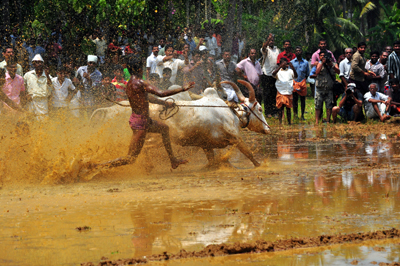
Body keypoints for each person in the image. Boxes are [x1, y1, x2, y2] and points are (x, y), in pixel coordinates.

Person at [90, 58, 194, 170]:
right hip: (141, 123)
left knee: (164, 129)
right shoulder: (140, 83)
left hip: (140, 119)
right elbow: (161, 93)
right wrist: (182, 89)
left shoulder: (130, 83)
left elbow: (147, 97)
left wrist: (164, 103)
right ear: (140, 69)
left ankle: (173, 160)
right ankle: (98, 167)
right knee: (130, 158)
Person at [310, 50, 339, 124]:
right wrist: (322, 63)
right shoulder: (319, 64)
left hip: (329, 88)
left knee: (329, 106)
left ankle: (328, 120)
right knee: (318, 106)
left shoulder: (334, 64)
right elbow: (317, 72)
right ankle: (317, 121)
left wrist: (331, 65)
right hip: (320, 88)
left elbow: (338, 72)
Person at [23, 54, 53, 120]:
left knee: (43, 122)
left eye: (40, 62)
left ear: (43, 64)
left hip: (43, 101)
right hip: (31, 101)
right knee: (30, 120)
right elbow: (23, 86)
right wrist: (25, 95)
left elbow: (51, 87)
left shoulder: (48, 76)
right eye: (36, 62)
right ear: (33, 64)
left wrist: (47, 76)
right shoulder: (28, 75)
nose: (38, 64)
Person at [272, 58, 298, 125]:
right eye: (283, 63)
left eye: (285, 63)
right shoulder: (278, 71)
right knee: (280, 107)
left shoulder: (290, 71)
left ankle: (289, 122)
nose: (285, 65)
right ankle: (280, 122)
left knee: (288, 108)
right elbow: (273, 74)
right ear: (280, 64)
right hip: (280, 91)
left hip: (288, 91)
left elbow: (296, 76)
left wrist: (293, 68)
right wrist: (280, 67)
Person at [260, 33, 280, 118]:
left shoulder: (277, 49)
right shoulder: (265, 49)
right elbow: (264, 47)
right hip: (267, 74)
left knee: (274, 94)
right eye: (269, 40)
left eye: (272, 40)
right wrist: (267, 40)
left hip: (275, 75)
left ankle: (274, 111)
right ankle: (268, 112)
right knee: (267, 94)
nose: (271, 41)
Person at [290, 46, 309, 120]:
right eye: (297, 51)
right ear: (295, 52)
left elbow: (307, 74)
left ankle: (302, 115)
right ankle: (295, 115)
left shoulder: (306, 62)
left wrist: (303, 82)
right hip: (294, 83)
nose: (298, 52)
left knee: (302, 100)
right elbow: (290, 73)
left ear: (302, 52)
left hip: (302, 83)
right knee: (295, 100)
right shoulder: (292, 62)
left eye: (299, 51)